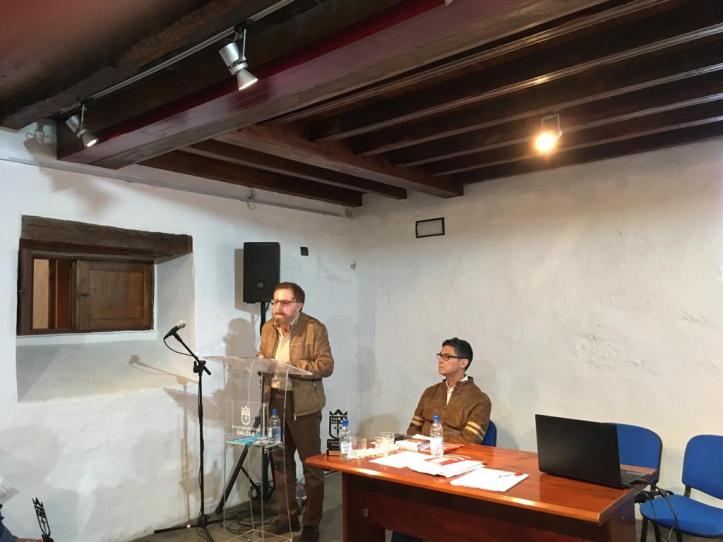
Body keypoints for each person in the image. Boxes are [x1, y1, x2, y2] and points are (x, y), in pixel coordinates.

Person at [393, 337, 491, 542]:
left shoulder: (480, 399)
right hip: (419, 461)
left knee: (418, 505)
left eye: (447, 356)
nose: (440, 360)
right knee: (400, 504)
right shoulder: (430, 393)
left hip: (453, 467)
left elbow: (469, 442)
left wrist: (431, 443)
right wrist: (418, 445)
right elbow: (412, 430)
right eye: (440, 355)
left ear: (463, 362)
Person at [259, 282, 333, 542]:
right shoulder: (267, 328)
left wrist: (290, 366)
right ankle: (287, 516)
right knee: (280, 462)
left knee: (311, 465)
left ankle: (311, 523)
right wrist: (261, 362)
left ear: (298, 305)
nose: (277, 307)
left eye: (284, 302)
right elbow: (265, 358)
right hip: (274, 400)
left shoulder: (314, 328)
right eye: (275, 301)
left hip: (303, 404)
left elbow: (326, 365)